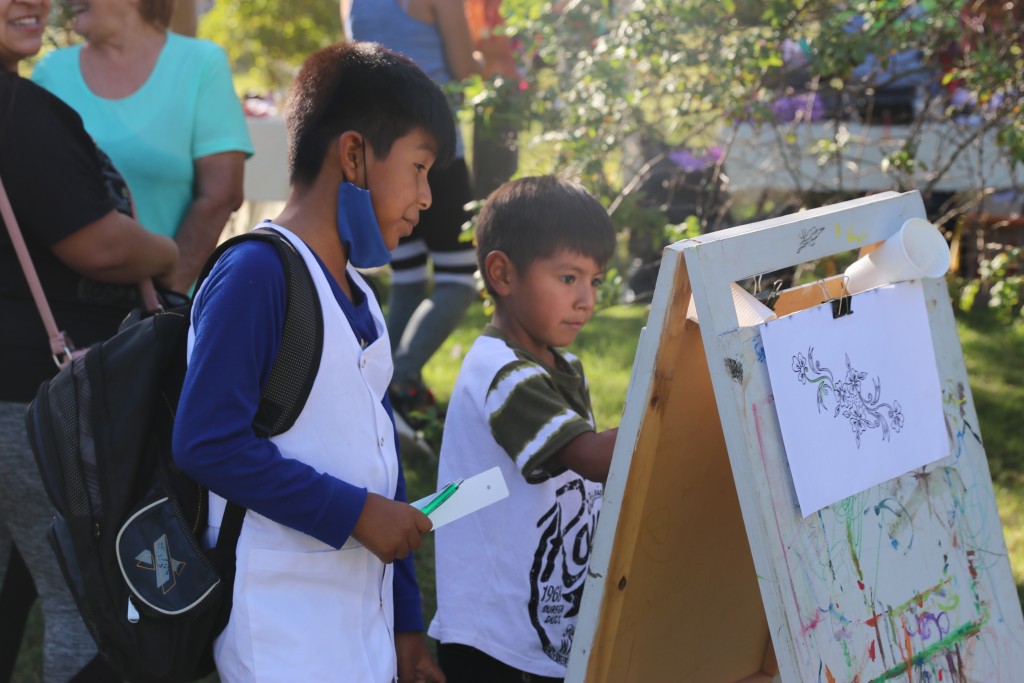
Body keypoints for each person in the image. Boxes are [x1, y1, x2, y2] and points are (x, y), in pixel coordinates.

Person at [172, 41, 451, 682]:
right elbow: (206, 442)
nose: (427, 196)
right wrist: (353, 514)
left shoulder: (363, 297)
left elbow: (383, 466)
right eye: (418, 168)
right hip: (278, 641)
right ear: (353, 155)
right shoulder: (256, 273)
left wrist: (407, 627)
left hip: (361, 639)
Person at [0, 0, 179, 679]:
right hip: (34, 398)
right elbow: (100, 245)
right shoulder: (19, 113)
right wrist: (165, 253)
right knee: (84, 602)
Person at [428, 176, 620, 682]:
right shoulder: (500, 371)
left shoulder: (562, 367)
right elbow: (593, 458)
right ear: (502, 274)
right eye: (568, 278)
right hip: (492, 638)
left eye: (595, 281)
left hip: (536, 621)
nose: (586, 300)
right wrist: (670, 407)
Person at [343, 0, 505, 425]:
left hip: (381, 157)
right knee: (460, 279)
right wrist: (491, 58)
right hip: (436, 155)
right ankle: (400, 379)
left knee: (408, 278)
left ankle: (375, 386)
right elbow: (464, 71)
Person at [32, 0, 252, 292]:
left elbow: (221, 194)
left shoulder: (202, 62)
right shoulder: (50, 71)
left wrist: (168, 296)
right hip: (68, 307)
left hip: (166, 305)